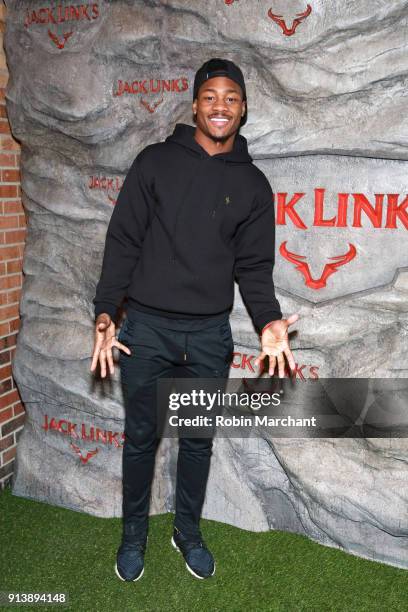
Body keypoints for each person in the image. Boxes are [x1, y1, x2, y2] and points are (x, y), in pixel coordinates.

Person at [90, 58, 298, 581]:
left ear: (243, 107)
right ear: (195, 104)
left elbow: (254, 266)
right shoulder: (155, 163)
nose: (220, 106)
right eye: (210, 96)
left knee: (198, 440)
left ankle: (188, 531)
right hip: (146, 331)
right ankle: (133, 535)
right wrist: (104, 312)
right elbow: (123, 242)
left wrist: (269, 320)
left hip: (208, 335)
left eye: (230, 97)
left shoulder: (253, 184)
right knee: (140, 438)